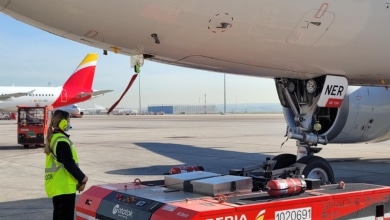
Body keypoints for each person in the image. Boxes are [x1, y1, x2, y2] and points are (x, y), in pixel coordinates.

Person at [44, 110, 88, 220]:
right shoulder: (62, 141)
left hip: (57, 185)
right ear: (63, 122)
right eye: (68, 121)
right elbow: (69, 163)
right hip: (65, 187)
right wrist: (82, 178)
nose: (69, 124)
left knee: (59, 216)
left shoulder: (54, 138)